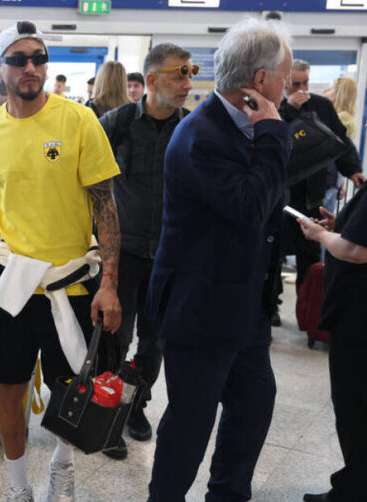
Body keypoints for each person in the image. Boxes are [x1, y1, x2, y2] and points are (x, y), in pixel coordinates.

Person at [0, 21, 121, 502]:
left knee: (70, 387)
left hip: (71, 280)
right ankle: (18, 486)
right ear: (1, 68)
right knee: (8, 386)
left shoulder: (78, 120)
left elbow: (105, 204)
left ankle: (62, 465)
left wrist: (109, 282)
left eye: (38, 58)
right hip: (13, 279)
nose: (30, 67)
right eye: (19, 59)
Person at [146, 18, 293, 501]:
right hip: (200, 307)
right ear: (261, 80)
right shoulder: (202, 135)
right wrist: (274, 133)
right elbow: (249, 206)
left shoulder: (244, 127)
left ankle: (228, 494)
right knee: (190, 422)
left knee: (254, 404)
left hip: (243, 303)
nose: (289, 88)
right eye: (285, 77)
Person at [98, 42, 193, 460]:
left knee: (154, 344)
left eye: (191, 73)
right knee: (115, 339)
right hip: (123, 253)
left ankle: (136, 407)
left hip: (169, 257)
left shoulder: (192, 128)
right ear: (152, 81)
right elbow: (87, 179)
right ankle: (109, 416)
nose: (187, 83)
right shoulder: (116, 123)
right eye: (179, 74)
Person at [297, 189, 367, 502]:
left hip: (357, 317)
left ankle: (353, 491)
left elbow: (355, 250)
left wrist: (320, 236)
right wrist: (344, 225)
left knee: (354, 407)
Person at [278, 60, 364, 301]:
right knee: (273, 255)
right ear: (284, 82)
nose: (301, 89)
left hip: (312, 197)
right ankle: (271, 309)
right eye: (295, 84)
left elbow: (341, 140)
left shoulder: (322, 106)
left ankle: (309, 306)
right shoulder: (275, 106)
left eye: (305, 83)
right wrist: (288, 109)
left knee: (309, 258)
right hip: (280, 198)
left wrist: (353, 170)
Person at [322, 76, 358, 216]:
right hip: (334, 177)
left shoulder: (341, 118)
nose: (329, 92)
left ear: (340, 93)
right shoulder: (348, 118)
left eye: (332, 89)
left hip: (327, 177)